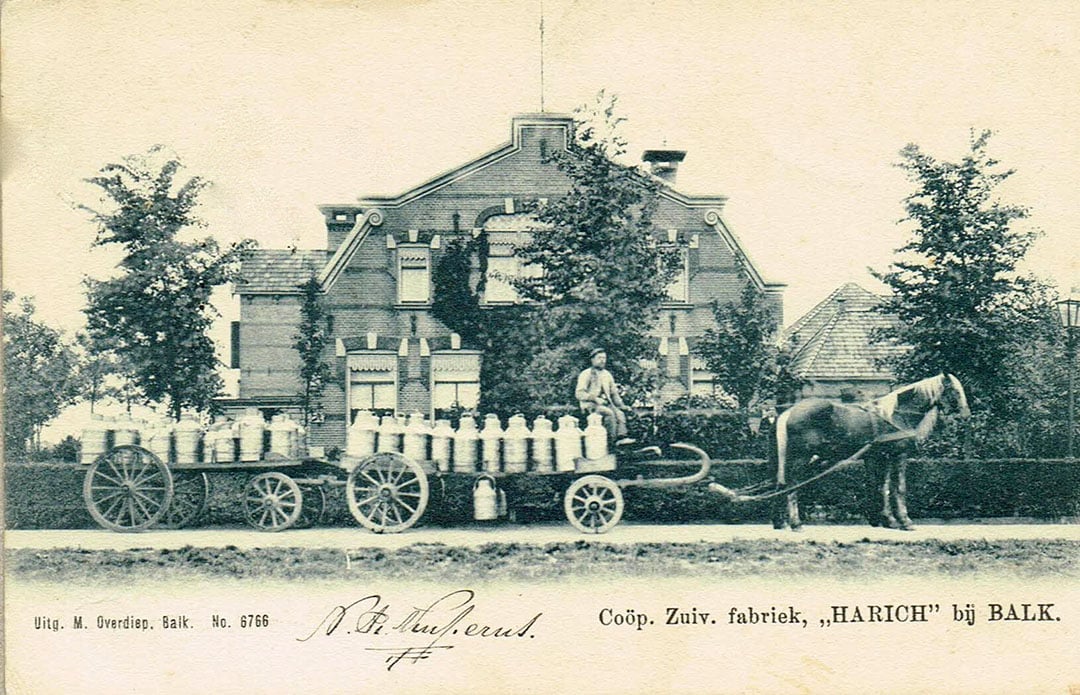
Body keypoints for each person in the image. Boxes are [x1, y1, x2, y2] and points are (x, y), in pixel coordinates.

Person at [575, 348, 635, 446]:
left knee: (620, 413)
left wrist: (622, 405)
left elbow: (614, 394)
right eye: (599, 358)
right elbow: (579, 393)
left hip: (606, 404)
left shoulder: (607, 374)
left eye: (604, 358)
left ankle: (621, 439)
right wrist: (594, 398)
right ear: (592, 359)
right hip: (590, 406)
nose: (602, 360)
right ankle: (610, 443)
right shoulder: (586, 374)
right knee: (609, 413)